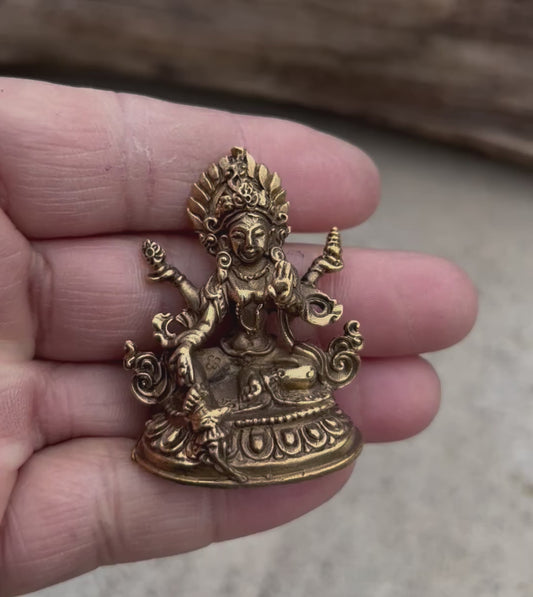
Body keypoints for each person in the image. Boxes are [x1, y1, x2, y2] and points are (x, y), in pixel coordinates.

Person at [0, 78, 477, 596]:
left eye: (256, 233)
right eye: (238, 235)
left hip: (275, 358)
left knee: (303, 371)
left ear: (272, 235)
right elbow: (206, 324)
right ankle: (215, 419)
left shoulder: (277, 272)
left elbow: (303, 314)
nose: (249, 242)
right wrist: (187, 344)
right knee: (199, 372)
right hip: (228, 358)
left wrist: (303, 289)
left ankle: (226, 418)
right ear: (222, 241)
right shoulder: (224, 278)